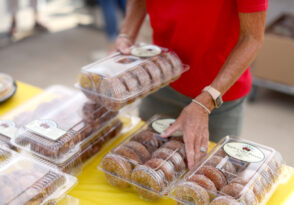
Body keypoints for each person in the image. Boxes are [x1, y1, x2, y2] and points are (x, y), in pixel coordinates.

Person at [114, 0, 267, 169]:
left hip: (220, 97)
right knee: (142, 164)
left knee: (209, 174)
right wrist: (126, 35)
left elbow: (252, 38)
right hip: (163, 80)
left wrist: (207, 101)